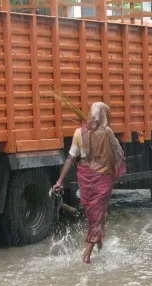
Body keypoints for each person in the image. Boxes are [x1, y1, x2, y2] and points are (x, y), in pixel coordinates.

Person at [53, 102, 123, 264]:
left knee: (99, 215)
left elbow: (71, 158)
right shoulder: (107, 133)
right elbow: (118, 154)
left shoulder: (79, 133)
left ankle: (99, 244)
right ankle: (86, 256)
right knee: (98, 218)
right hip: (101, 179)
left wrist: (60, 181)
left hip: (86, 179)